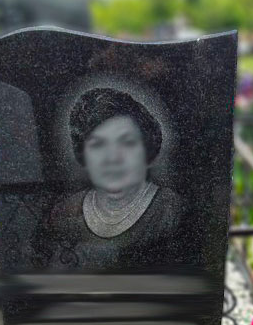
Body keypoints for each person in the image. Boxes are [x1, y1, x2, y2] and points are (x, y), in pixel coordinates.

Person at [44, 88, 185, 267]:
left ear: (147, 148)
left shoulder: (170, 211)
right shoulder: (64, 214)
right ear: (83, 153)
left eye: (127, 142)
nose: (113, 157)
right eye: (98, 144)